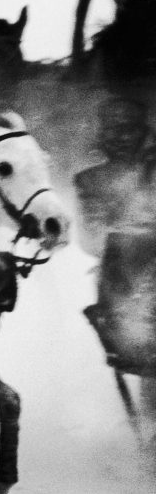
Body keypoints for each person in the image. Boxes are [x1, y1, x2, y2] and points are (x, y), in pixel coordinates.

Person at [75, 98, 156, 377]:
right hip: (124, 284)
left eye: (129, 129)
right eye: (112, 129)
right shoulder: (90, 180)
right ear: (102, 133)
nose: (120, 137)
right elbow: (91, 239)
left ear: (144, 132)